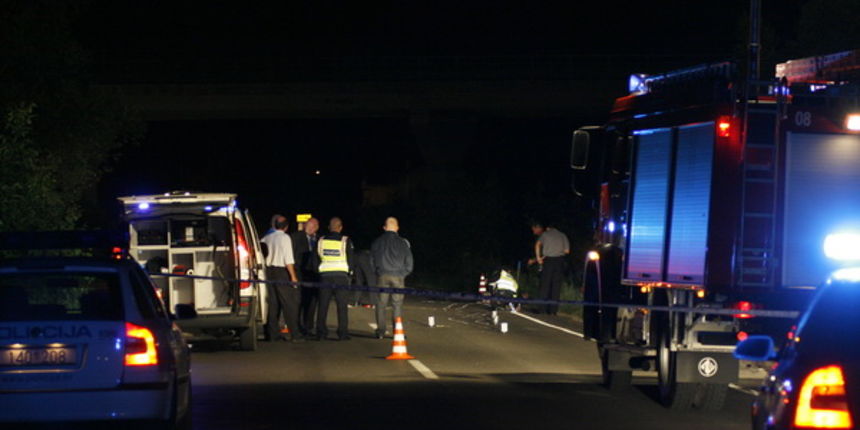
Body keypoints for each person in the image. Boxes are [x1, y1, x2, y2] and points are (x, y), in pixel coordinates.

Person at [260, 215, 303, 342]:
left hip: (268, 272)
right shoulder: (285, 238)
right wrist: (293, 277)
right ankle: (295, 334)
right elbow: (288, 260)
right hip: (281, 272)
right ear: (286, 227)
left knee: (273, 304)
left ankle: (272, 334)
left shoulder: (266, 238)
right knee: (288, 304)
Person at [371, 217, 413, 339]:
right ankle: (397, 332)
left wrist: (378, 272)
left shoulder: (377, 242)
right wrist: (403, 273)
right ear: (397, 228)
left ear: (384, 228)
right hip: (398, 276)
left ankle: (381, 331)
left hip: (383, 275)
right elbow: (409, 262)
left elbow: (371, 260)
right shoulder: (403, 243)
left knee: (381, 304)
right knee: (397, 305)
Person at [316, 217, 354, 340]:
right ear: (340, 227)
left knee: (323, 306)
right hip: (341, 277)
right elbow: (351, 259)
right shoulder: (345, 240)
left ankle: (321, 333)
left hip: (325, 276)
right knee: (342, 306)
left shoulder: (320, 240)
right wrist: (350, 273)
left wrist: (318, 271)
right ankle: (342, 333)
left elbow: (315, 259)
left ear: (329, 227)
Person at [528, 221, 570, 315]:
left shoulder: (545, 234)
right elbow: (567, 251)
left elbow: (537, 244)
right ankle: (553, 311)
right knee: (556, 286)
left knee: (545, 285)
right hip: (559, 261)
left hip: (548, 261)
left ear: (548, 228)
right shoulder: (563, 235)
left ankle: (542, 309)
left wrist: (538, 258)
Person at [291, 217, 320, 336]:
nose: (312, 228)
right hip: (299, 273)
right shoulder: (296, 237)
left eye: (314, 226)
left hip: (314, 275)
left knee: (312, 302)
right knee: (298, 301)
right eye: (310, 225)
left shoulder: (319, 239)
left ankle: (308, 327)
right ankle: (296, 326)